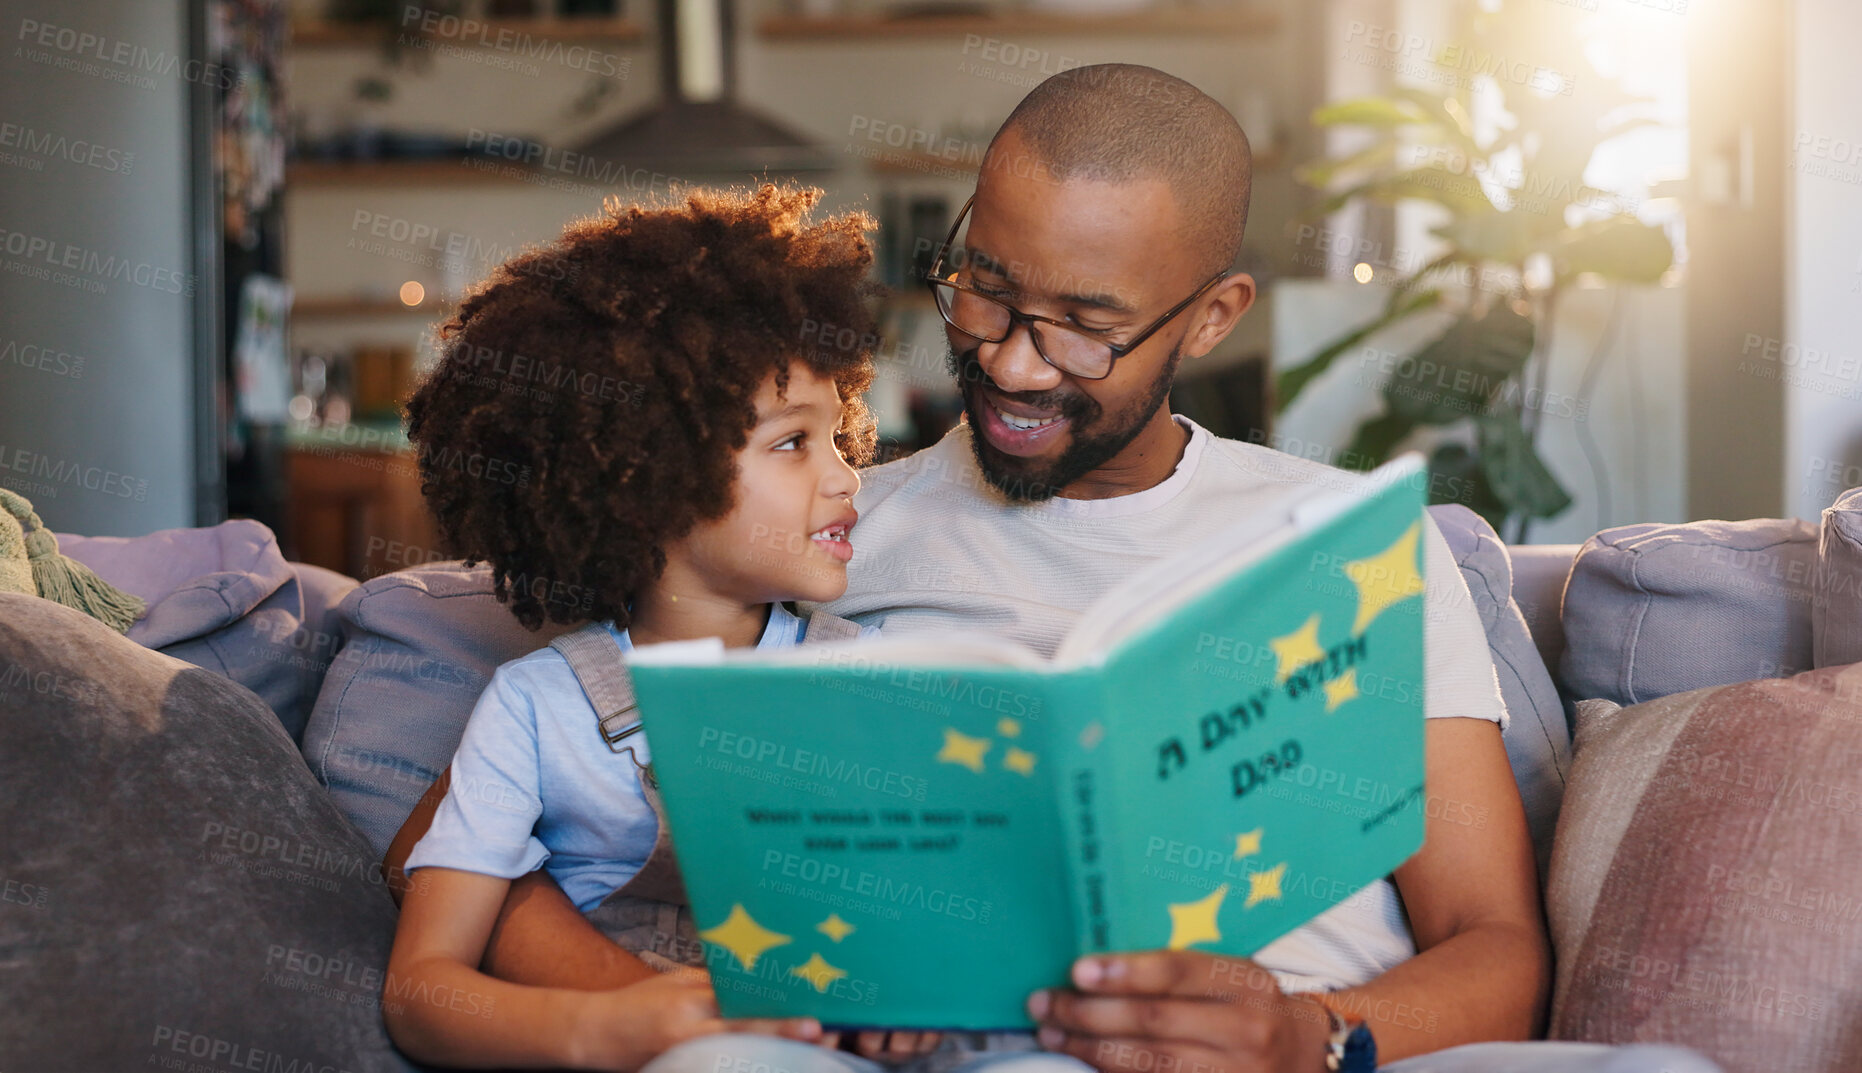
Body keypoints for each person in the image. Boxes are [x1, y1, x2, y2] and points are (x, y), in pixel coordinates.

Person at [385, 68, 1722, 1073]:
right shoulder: (808, 533)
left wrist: (1299, 1034)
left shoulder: (1354, 557)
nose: (1016, 363)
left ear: (1209, 315)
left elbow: (1493, 949)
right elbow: (459, 841)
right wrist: (658, 1000)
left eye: (1083, 330)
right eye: (984, 291)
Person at [382, 184, 915, 1070]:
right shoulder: (535, 707)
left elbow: (924, 915)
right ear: (650, 481)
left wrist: (919, 994)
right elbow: (422, 992)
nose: (847, 477)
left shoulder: (876, 681)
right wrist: (604, 1028)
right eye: (793, 443)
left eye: (840, 435)